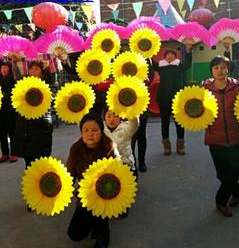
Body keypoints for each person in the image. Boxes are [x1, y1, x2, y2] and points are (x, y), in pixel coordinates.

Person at [202, 56, 239, 218]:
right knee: (222, 174)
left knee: (234, 172)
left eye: (223, 67)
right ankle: (238, 193)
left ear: (228, 69)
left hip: (237, 136)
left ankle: (221, 201)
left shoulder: (238, 88)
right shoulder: (204, 89)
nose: (220, 71)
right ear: (211, 70)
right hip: (216, 137)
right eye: (216, 68)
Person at [66, 113, 120, 248]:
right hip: (85, 197)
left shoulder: (109, 147)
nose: (90, 134)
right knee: (75, 234)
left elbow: (119, 174)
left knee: (100, 218)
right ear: (81, 132)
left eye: (95, 130)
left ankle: (103, 229)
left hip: (105, 196)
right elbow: (69, 175)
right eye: (86, 130)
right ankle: (94, 222)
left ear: (101, 132)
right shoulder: (76, 149)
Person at [12, 61, 53, 210]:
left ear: (41, 72)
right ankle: (33, 197)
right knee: (29, 166)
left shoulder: (46, 85)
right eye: (31, 69)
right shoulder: (23, 85)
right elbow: (16, 78)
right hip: (26, 131)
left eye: (36, 69)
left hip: (41, 128)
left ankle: (45, 194)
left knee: (41, 165)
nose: (33, 71)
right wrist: (15, 62)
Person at [152, 45, 192, 155]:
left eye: (172, 55)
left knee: (179, 123)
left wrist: (188, 51)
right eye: (168, 55)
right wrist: (148, 53)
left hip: (177, 99)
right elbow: (151, 64)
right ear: (164, 57)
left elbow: (188, 64)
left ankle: (180, 146)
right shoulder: (161, 67)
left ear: (175, 57)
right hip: (163, 99)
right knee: (164, 123)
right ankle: (167, 147)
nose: (170, 56)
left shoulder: (179, 66)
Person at [131, 58, 155, 172]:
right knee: (130, 137)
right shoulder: (124, 72)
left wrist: (148, 57)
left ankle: (142, 162)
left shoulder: (144, 72)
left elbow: (150, 74)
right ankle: (133, 162)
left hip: (141, 107)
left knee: (141, 135)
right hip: (127, 109)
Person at [0, 60, 17, 163]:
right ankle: (4, 154)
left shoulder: (13, 77)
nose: (3, 69)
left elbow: (15, 92)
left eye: (6, 67)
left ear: (10, 68)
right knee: (1, 132)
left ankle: (14, 153)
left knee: (12, 131)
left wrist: (4, 94)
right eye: (2, 67)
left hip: (11, 109)